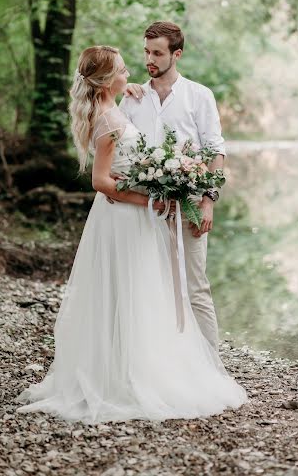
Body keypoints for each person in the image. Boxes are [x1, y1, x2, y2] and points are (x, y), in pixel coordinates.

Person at [15, 45, 247, 424]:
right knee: (129, 290)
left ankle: (132, 365)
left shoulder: (115, 108)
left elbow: (124, 145)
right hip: (123, 218)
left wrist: (126, 94)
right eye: (123, 68)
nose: (132, 72)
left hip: (131, 216)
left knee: (136, 292)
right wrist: (150, 197)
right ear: (108, 80)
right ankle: (125, 376)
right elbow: (100, 180)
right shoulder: (108, 120)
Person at [120, 21, 224, 353]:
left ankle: (211, 363)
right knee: (152, 285)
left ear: (176, 54)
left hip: (190, 202)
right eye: (147, 51)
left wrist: (208, 200)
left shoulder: (199, 95)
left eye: (157, 53)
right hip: (145, 205)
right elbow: (116, 146)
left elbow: (216, 150)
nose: (149, 59)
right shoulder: (134, 98)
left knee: (196, 286)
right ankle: (165, 360)